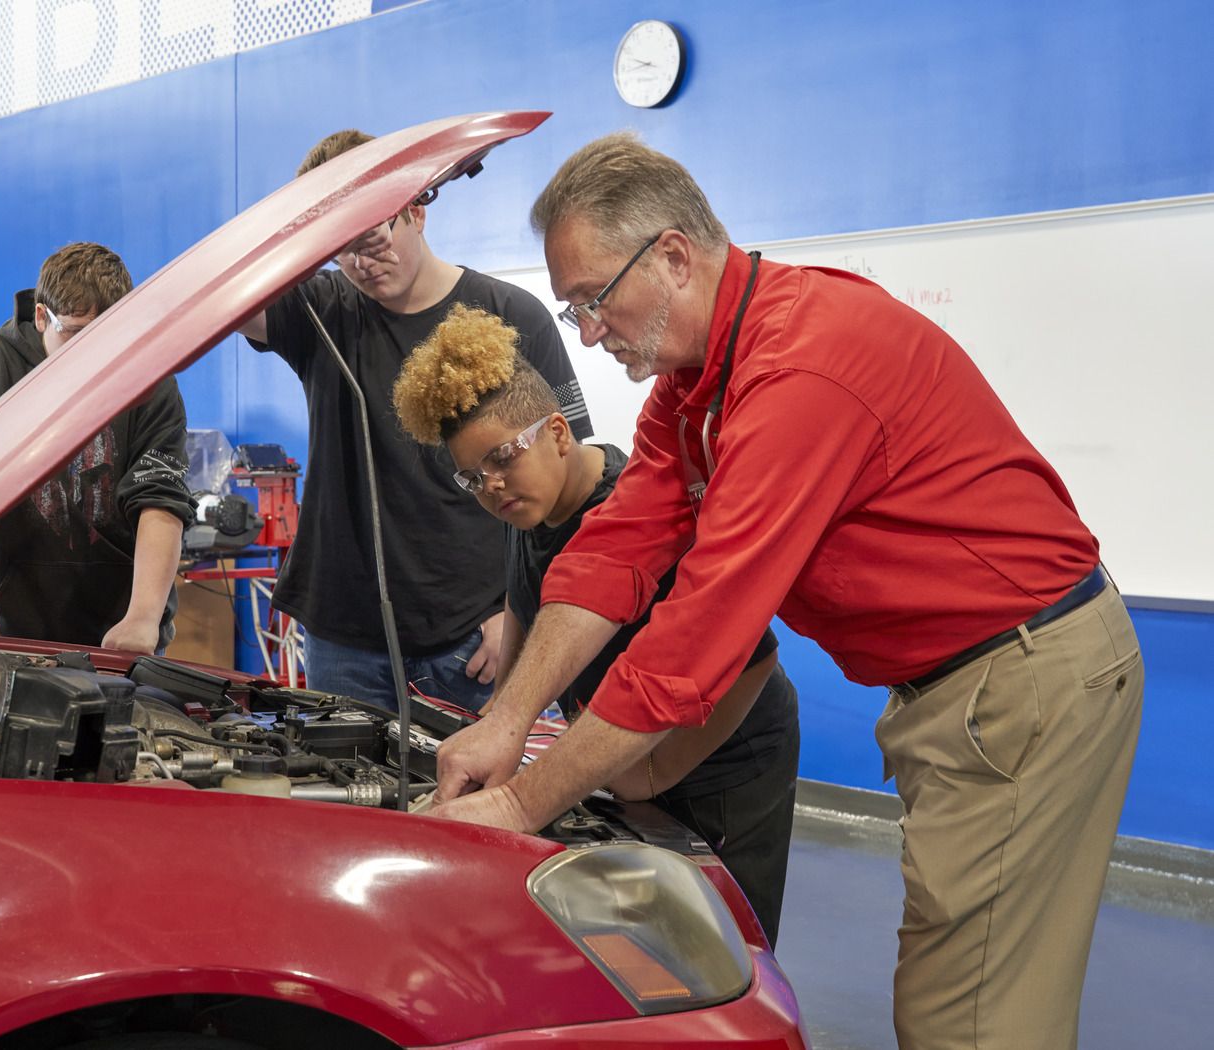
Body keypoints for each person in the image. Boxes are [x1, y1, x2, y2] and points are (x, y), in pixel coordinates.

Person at [431, 133, 1143, 1050]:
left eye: (592, 302)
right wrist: (505, 720)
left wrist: (521, 805)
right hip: (968, 685)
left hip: (1022, 680)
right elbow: (613, 552)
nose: (589, 333)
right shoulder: (696, 389)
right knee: (966, 994)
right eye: (575, 313)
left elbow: (695, 639)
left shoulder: (800, 370)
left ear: (675, 256)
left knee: (966, 1018)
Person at [392, 303, 800, 944]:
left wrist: (651, 773)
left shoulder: (633, 514)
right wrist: (504, 721)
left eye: (503, 458)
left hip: (724, 761)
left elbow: (758, 658)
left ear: (558, 431)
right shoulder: (533, 508)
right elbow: (527, 608)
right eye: (474, 476)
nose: (492, 487)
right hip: (622, 751)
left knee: (717, 946)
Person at [238, 129, 592, 712]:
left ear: (417, 211)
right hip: (343, 640)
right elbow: (229, 294)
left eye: (374, 238)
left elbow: (572, 480)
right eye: (341, 248)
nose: (361, 263)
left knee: (489, 800)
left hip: (480, 635)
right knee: (343, 798)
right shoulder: (321, 312)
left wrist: (523, 614)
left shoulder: (510, 315)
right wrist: (307, 228)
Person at [0, 242, 195, 655]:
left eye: (107, 336)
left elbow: (160, 499)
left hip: (119, 630)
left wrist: (142, 618)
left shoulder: (150, 379)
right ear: (41, 317)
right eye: (74, 334)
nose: (90, 355)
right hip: (6, 625)